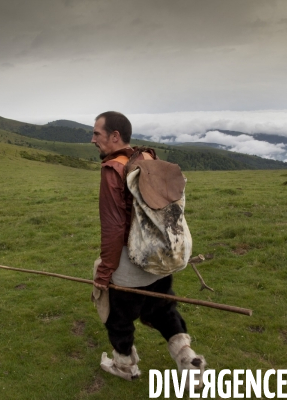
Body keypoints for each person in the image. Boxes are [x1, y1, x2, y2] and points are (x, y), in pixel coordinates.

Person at [90, 111, 206, 384]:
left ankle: (124, 366)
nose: (92, 139)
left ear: (115, 136)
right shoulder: (148, 158)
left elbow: (114, 228)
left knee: (118, 316)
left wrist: (105, 272)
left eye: (97, 133)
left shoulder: (112, 171)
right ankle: (188, 359)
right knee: (164, 309)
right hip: (163, 256)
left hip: (132, 263)